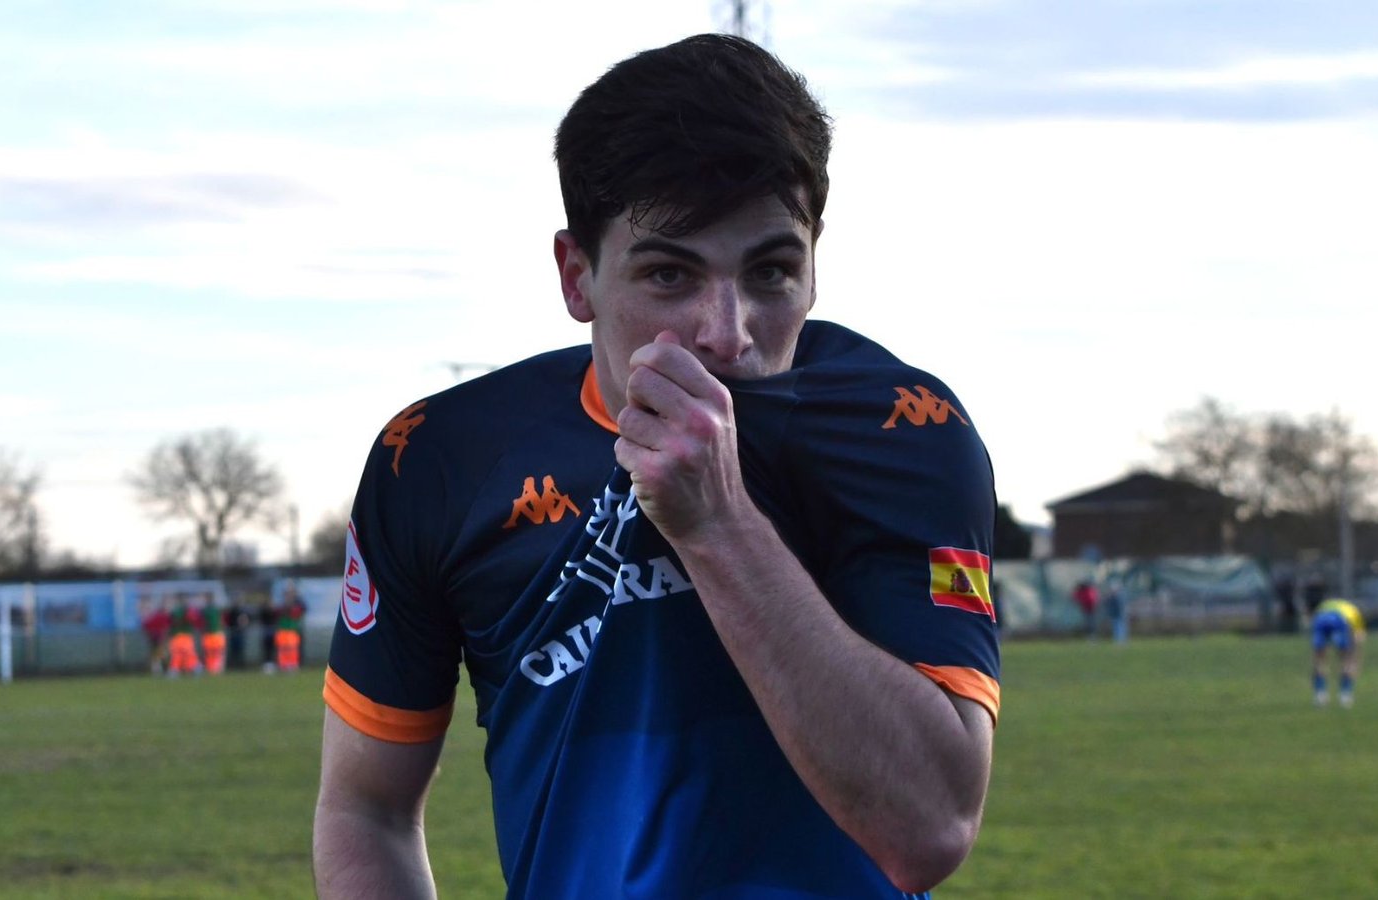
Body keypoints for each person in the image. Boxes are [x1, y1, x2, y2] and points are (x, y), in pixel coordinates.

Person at [313, 34, 999, 899]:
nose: (728, 333)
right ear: (577, 277)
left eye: (772, 271)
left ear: (815, 261)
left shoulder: (900, 429)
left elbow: (929, 827)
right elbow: (365, 811)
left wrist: (719, 523)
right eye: (671, 274)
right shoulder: (441, 459)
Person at [1309, 597, 1365, 708]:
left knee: (1319, 659)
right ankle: (1345, 695)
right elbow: (1358, 639)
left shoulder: (1327, 605)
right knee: (1346, 659)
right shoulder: (1355, 613)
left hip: (1320, 618)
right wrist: (1356, 660)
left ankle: (1320, 695)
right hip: (1339, 619)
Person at [275, 587, 305, 673]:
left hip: (292, 630)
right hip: (283, 630)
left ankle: (293, 664)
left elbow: (300, 611)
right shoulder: (282, 606)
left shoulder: (297, 605)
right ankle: (283, 664)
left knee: (293, 649)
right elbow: (278, 613)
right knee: (283, 649)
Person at [139, 597, 173, 675]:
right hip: (159, 639)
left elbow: (145, 625)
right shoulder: (164, 617)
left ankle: (157, 669)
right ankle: (163, 669)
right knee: (162, 654)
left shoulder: (154, 616)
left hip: (153, 638)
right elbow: (167, 628)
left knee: (156, 655)